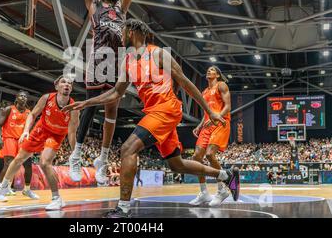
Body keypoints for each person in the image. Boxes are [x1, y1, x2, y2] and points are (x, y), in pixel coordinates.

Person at [63, 19, 240, 218]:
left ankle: (123, 208)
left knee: (128, 148)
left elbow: (186, 82)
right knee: (177, 164)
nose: (120, 35)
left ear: (131, 31)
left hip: (167, 109)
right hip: (154, 112)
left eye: (123, 31)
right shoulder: (128, 61)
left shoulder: (157, 53)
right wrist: (86, 103)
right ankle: (226, 175)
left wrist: (210, 110)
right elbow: (115, 93)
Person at [69, 0, 135, 184]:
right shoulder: (94, 5)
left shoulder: (121, 9)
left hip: (116, 63)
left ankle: (103, 159)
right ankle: (75, 155)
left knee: (112, 110)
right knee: (90, 105)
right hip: (98, 58)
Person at [0, 76, 80, 211]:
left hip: (56, 135)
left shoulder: (74, 108)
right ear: (56, 86)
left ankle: (57, 198)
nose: (67, 85)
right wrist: (25, 131)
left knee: (45, 163)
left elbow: (71, 133)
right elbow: (33, 114)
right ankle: (2, 188)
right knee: (19, 158)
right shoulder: (47, 98)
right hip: (41, 129)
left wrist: (74, 153)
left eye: (70, 84)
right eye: (64, 82)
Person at [190, 66, 231, 207]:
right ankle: (204, 193)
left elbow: (228, 106)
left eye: (212, 70)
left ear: (218, 75)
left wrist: (216, 117)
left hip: (221, 122)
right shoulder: (204, 92)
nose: (209, 71)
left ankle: (222, 190)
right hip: (207, 124)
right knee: (196, 157)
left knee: (209, 155)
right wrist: (199, 125)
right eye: (207, 69)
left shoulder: (222, 85)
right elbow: (206, 113)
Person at [0, 91, 37, 199]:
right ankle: (0, 191)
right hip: (9, 138)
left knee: (28, 164)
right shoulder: (8, 109)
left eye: (25, 96)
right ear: (17, 98)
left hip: (22, 140)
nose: (23, 98)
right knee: (8, 164)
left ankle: (27, 190)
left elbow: (30, 128)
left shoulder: (29, 113)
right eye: (21, 96)